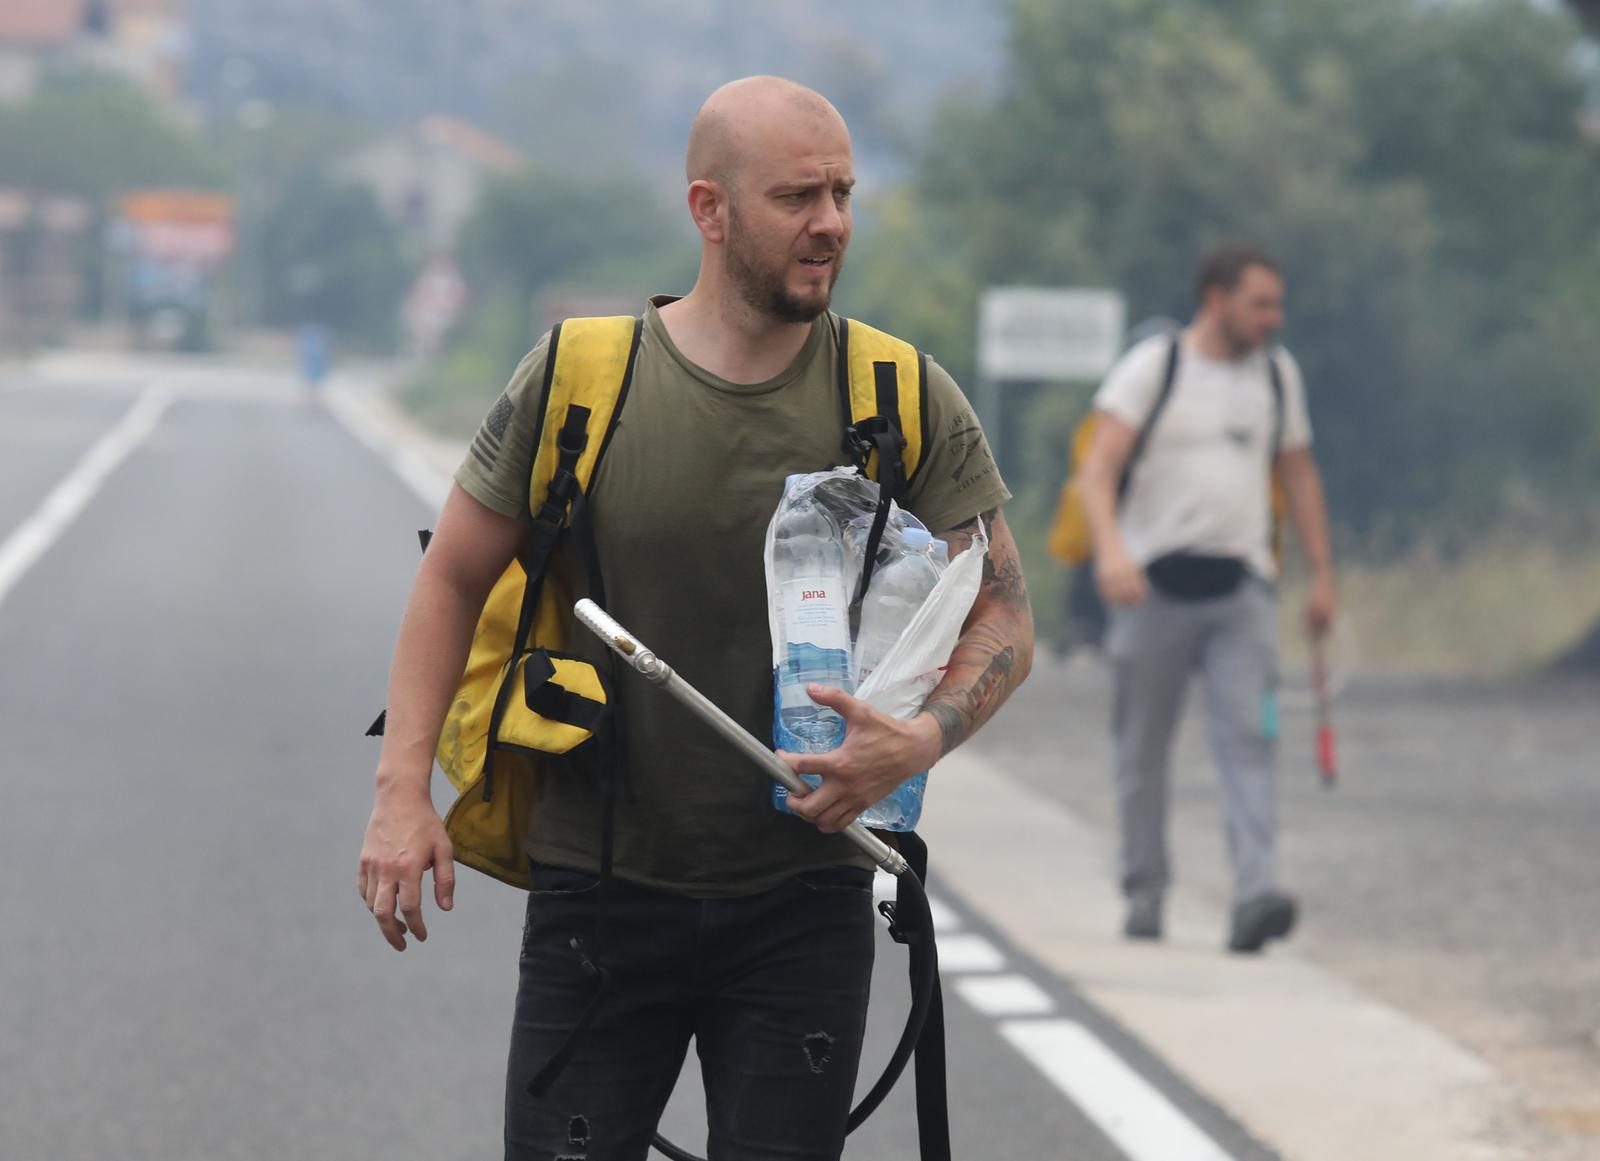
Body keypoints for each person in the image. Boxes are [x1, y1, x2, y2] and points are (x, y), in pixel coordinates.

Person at [356, 76, 1033, 1160]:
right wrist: (402, 798)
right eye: (797, 197)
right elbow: (451, 582)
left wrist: (922, 737)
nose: (830, 225)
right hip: (600, 891)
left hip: (804, 900)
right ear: (709, 211)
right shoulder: (581, 381)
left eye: (843, 194)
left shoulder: (896, 394)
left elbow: (1003, 610)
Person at [1078, 244, 1335, 954]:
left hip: (1242, 590)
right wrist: (1111, 550)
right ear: (1217, 300)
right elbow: (1098, 469)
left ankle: (1255, 894)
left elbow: (1299, 474)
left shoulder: (1278, 376)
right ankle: (1144, 888)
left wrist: (1320, 574)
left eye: (1276, 304)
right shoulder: (1154, 369)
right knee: (1142, 749)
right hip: (1152, 586)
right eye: (1261, 304)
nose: (1273, 318)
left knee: (1251, 740)